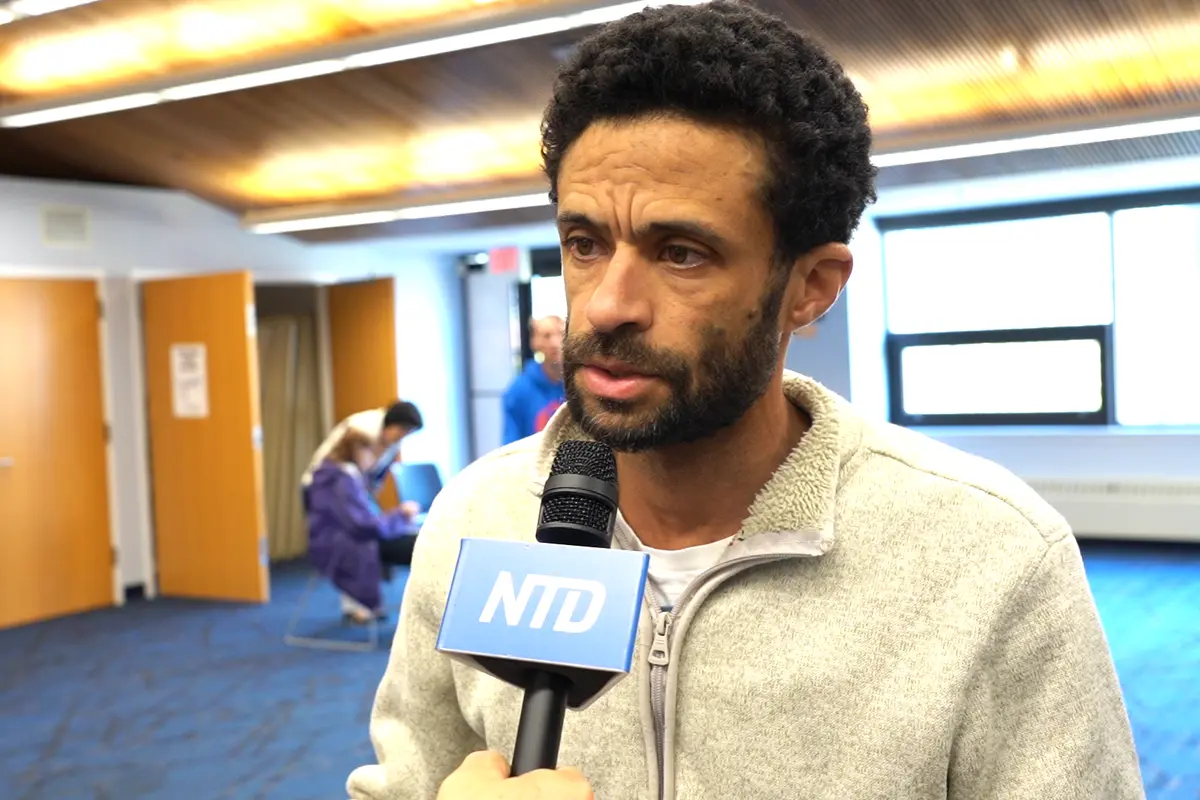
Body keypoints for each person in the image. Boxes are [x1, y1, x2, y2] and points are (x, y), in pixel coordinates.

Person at [349, 4, 1143, 799]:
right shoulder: (475, 521)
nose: (604, 305)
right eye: (585, 244)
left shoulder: (992, 558)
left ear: (810, 287)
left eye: (682, 253)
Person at [305, 427, 420, 623]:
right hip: (346, 541)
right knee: (419, 545)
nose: (374, 458)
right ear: (356, 451)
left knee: (415, 540)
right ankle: (422, 610)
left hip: (348, 536)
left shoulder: (341, 474)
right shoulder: (341, 479)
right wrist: (400, 515)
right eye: (371, 452)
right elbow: (363, 526)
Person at [301, 400, 423, 514]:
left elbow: (374, 479)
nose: (402, 437)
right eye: (403, 431)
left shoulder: (393, 441)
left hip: (349, 490)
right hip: (325, 488)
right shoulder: (361, 429)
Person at [501, 315, 566, 444]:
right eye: (547, 336)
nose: (555, 343)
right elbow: (510, 447)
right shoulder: (518, 391)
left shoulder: (580, 384)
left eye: (561, 334)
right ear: (535, 343)